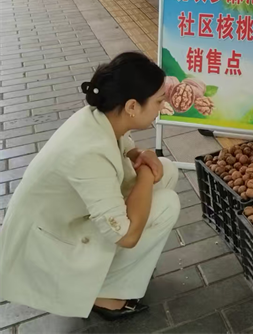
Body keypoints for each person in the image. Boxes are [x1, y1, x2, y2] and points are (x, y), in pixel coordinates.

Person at [0, 52, 179, 321]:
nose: (162, 107)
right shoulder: (89, 153)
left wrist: (140, 157)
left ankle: (122, 274)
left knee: (165, 170)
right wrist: (144, 172)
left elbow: (123, 143)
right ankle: (106, 294)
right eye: (158, 101)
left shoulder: (101, 115)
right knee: (165, 203)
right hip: (49, 246)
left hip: (66, 219)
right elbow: (127, 236)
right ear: (132, 106)